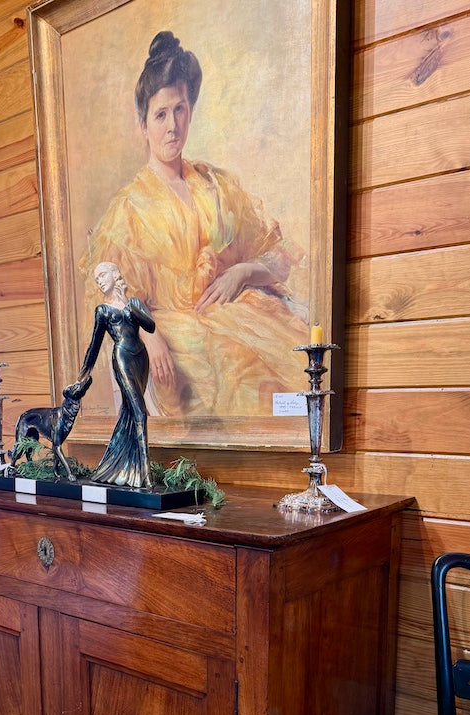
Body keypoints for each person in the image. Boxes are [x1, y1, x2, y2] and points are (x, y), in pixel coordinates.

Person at [81, 30, 308, 418]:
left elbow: (277, 257)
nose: (172, 126)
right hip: (174, 333)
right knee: (233, 366)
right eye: (160, 114)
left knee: (291, 364)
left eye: (180, 109)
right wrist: (148, 337)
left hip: (236, 315)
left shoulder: (215, 185)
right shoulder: (129, 207)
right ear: (143, 125)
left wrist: (242, 271)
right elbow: (111, 294)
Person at [73, 262, 155, 489]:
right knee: (140, 412)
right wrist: (82, 378)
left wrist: (131, 306)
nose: (99, 281)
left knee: (132, 411)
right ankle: (145, 475)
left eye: (102, 275)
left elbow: (150, 326)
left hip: (140, 357)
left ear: (115, 275)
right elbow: (94, 346)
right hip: (122, 357)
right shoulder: (103, 310)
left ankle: (126, 468)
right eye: (96, 278)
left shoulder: (134, 303)